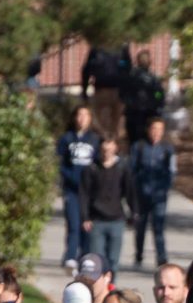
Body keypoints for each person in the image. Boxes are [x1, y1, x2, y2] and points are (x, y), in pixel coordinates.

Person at [80, 134, 134, 274]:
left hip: (116, 219)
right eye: (104, 149)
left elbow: (129, 192)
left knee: (113, 260)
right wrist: (85, 217)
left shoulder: (122, 167)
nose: (106, 153)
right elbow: (84, 194)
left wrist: (134, 212)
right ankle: (98, 290)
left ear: (115, 149)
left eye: (110, 149)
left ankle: (111, 288)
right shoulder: (92, 168)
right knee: (97, 260)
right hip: (96, 220)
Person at [132, 118, 177, 269]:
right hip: (141, 194)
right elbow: (132, 170)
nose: (156, 133)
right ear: (148, 129)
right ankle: (139, 253)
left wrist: (164, 188)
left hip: (159, 195)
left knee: (158, 227)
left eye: (160, 129)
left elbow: (171, 171)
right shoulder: (139, 147)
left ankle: (161, 257)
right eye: (153, 129)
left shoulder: (167, 149)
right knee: (140, 227)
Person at [57, 106, 100, 266]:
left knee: (87, 224)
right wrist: (69, 177)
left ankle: (85, 255)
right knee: (73, 223)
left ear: (90, 118)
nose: (82, 118)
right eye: (79, 115)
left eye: (85, 115)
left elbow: (99, 163)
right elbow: (60, 163)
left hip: (89, 191)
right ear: (74, 117)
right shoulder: (66, 138)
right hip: (72, 189)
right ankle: (70, 255)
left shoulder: (95, 139)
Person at [80, 48, 131, 145]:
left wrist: (84, 91)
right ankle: (101, 146)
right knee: (100, 124)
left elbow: (128, 68)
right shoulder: (97, 47)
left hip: (117, 91)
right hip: (102, 90)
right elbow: (87, 69)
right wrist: (84, 90)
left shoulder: (121, 47)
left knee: (117, 125)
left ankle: (114, 150)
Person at [122, 49, 166, 151]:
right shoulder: (153, 78)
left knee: (134, 139)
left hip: (135, 113)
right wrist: (157, 104)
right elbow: (159, 94)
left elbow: (123, 94)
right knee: (145, 138)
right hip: (147, 112)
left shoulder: (131, 77)